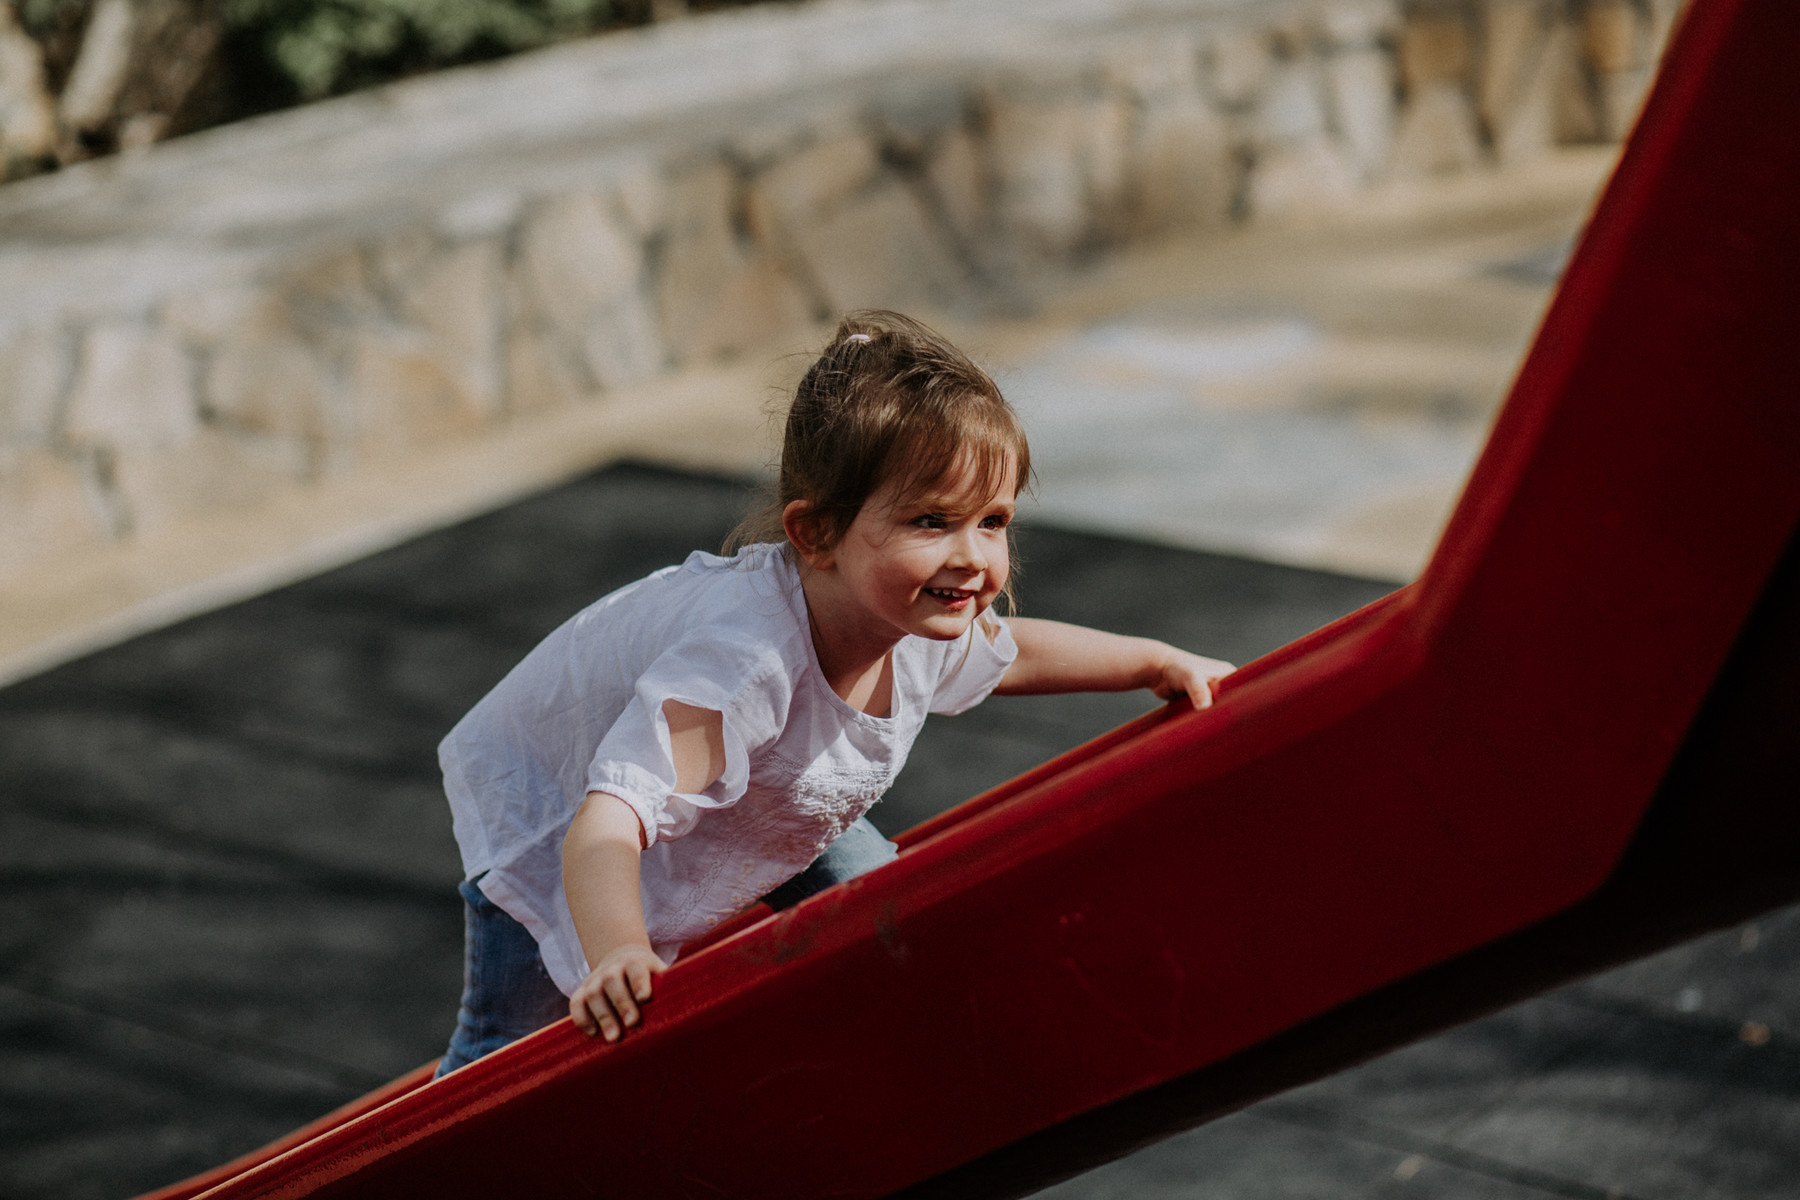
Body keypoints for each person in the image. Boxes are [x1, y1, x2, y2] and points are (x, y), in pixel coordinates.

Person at [435, 310, 1233, 1074]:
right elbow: (608, 817)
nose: (973, 556)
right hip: (558, 826)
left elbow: (1012, 654)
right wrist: (616, 952)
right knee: (510, 1049)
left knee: (890, 916)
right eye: (931, 520)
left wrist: (1151, 661)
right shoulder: (744, 663)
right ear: (815, 534)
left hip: (774, 802)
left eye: (993, 520)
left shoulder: (917, 611)